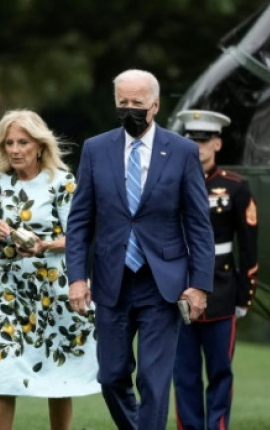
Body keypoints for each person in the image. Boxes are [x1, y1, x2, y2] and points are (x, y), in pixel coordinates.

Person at [64, 69, 215, 430]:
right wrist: (76, 278)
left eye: (137, 103)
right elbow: (80, 221)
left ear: (155, 105)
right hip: (111, 281)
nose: (129, 109)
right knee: (111, 376)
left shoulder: (182, 151)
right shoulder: (96, 149)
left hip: (162, 283)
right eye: (123, 103)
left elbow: (198, 224)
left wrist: (200, 285)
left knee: (153, 378)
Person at [0, 109, 100, 430]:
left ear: (39, 146)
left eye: (23, 142)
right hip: (8, 289)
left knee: (59, 373)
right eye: (9, 143)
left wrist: (44, 245)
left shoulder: (61, 182)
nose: (16, 149)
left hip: (55, 289)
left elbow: (79, 235)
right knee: (4, 368)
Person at [173, 110, 259, 430]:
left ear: (218, 143)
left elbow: (249, 245)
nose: (198, 146)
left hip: (221, 290)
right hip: (178, 288)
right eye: (191, 139)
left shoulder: (235, 188)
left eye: (205, 140)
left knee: (220, 370)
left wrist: (244, 296)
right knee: (184, 373)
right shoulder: (172, 183)